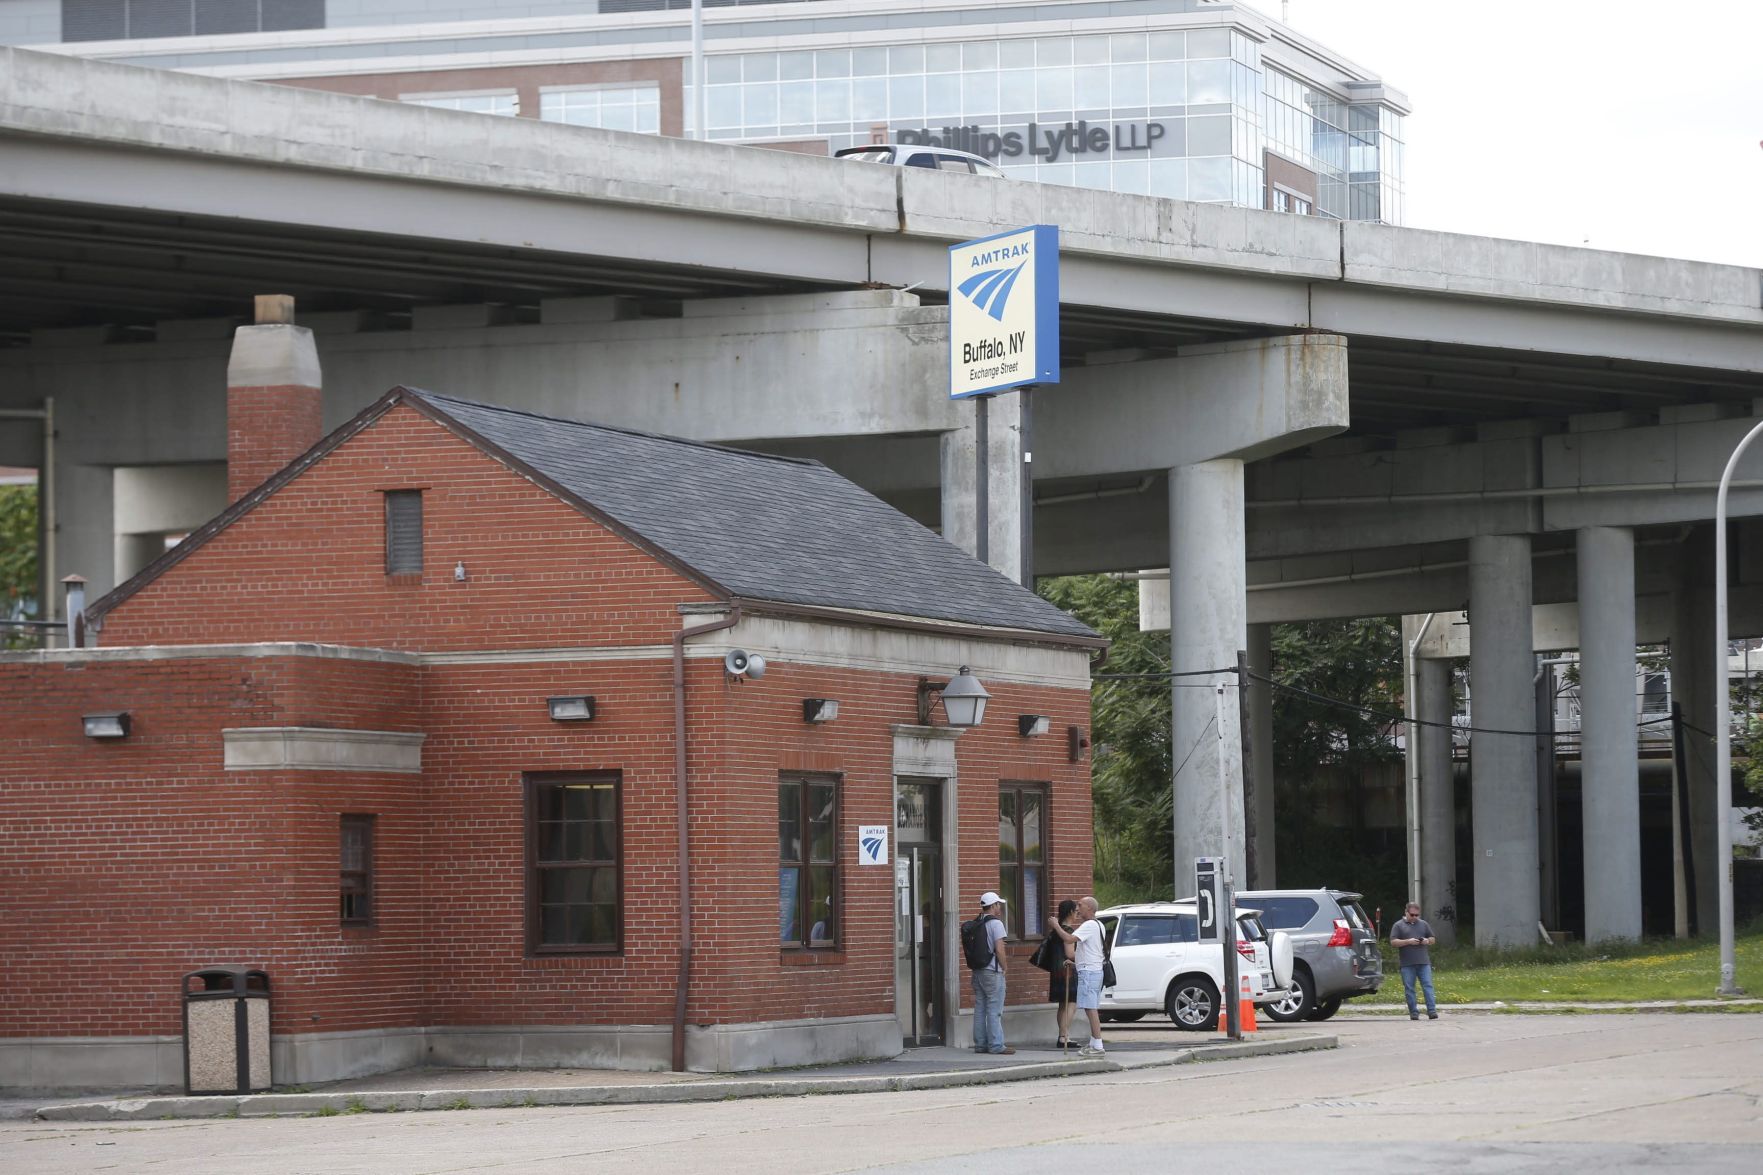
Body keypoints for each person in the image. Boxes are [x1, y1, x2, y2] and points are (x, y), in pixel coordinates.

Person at [971, 891, 1013, 1055]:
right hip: (992, 971)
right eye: (998, 904)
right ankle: (996, 1045)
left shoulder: (976, 922)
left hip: (977, 971)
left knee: (980, 1008)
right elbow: (999, 949)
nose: (1000, 907)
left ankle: (980, 1044)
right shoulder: (996, 924)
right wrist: (1004, 967)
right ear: (993, 905)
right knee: (994, 1009)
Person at [1066, 895, 1108, 1058]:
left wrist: (1057, 926)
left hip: (1089, 972)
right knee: (1091, 1007)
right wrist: (1075, 963)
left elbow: (1069, 938)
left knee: (1091, 1009)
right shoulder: (1098, 925)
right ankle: (1093, 1043)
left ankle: (1098, 1045)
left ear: (1090, 908)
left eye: (1080, 904)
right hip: (1092, 969)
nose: (1078, 907)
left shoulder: (1090, 924)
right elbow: (1090, 952)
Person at [1390, 900, 1439, 1020]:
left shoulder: (1423, 924)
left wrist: (1427, 941)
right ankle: (1414, 1012)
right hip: (1407, 963)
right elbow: (1393, 942)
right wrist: (1408, 941)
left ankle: (1432, 1011)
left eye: (1417, 915)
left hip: (1424, 962)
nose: (1414, 917)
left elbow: (1432, 938)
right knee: (1409, 988)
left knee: (1428, 986)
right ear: (1406, 912)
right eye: (1412, 915)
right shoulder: (1398, 925)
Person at [1043, 899, 1081, 1049]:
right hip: (1068, 971)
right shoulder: (1069, 932)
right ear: (1071, 912)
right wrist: (1084, 956)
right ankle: (1064, 1036)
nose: (1077, 914)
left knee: (1062, 1005)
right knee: (1071, 1003)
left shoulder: (1055, 932)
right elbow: (1070, 954)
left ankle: (1063, 1036)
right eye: (1076, 911)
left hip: (1056, 971)